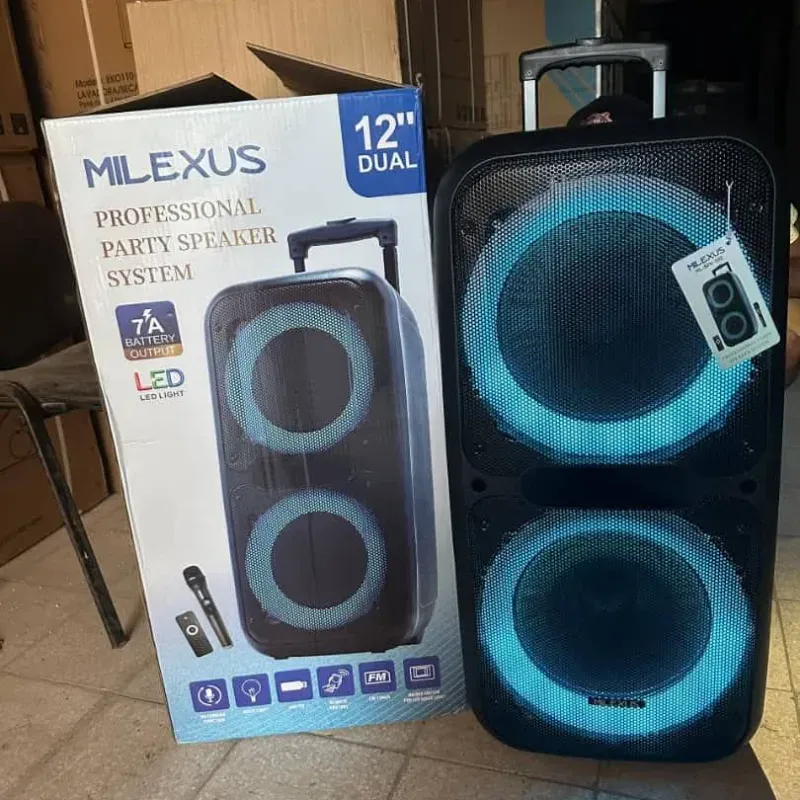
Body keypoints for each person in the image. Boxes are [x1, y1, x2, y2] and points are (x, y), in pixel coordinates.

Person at [567, 96, 800, 385]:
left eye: (627, 159)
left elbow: (794, 261)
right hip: (607, 344)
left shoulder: (727, 187)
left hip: (704, 317)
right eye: (594, 166)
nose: (614, 180)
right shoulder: (563, 226)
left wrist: (744, 278)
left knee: (785, 344)